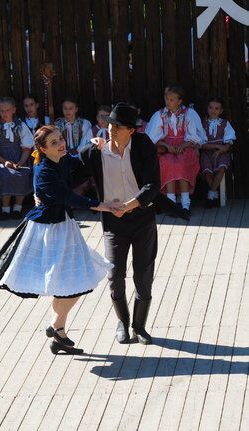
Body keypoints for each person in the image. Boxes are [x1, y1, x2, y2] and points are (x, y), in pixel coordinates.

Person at [0, 125, 120, 355]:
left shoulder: (61, 159)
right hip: (46, 231)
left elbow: (76, 161)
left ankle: (58, 330)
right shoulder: (45, 170)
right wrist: (105, 206)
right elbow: (69, 197)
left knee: (72, 283)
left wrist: (94, 145)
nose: (61, 144)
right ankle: (57, 330)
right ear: (43, 149)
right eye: (54, 142)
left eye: (60, 138)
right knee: (73, 282)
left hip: (64, 226)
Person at [74, 103, 161, 345]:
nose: (111, 128)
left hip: (142, 217)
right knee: (115, 273)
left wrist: (130, 205)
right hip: (113, 221)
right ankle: (122, 321)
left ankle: (140, 327)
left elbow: (153, 185)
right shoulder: (96, 152)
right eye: (110, 123)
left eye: (117, 125)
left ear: (131, 130)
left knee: (143, 273)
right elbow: (69, 170)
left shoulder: (143, 146)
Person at [145, 85, 204, 215]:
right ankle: (170, 203)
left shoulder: (189, 113)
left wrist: (183, 145)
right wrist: (166, 146)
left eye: (172, 100)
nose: (168, 102)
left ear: (180, 101)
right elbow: (152, 137)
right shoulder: (160, 115)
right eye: (167, 99)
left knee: (182, 165)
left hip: (185, 146)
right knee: (168, 164)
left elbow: (196, 136)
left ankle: (185, 204)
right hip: (167, 148)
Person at [0, 96, 34, 220]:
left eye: (7, 110)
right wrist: (5, 162)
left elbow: (27, 147)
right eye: (2, 111)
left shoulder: (21, 126)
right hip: (0, 159)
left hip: (19, 158)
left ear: (14, 110)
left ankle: (17, 208)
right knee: (6, 175)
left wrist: (21, 161)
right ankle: (5, 209)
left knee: (23, 173)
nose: (4, 114)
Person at [200, 97, 236, 208]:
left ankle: (211, 195)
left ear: (221, 111)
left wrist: (220, 151)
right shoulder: (202, 123)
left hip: (221, 153)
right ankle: (213, 194)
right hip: (207, 152)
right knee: (206, 170)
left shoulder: (225, 124)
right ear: (207, 108)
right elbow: (201, 144)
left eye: (217, 108)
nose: (213, 111)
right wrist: (216, 146)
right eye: (211, 108)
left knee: (221, 168)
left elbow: (228, 145)